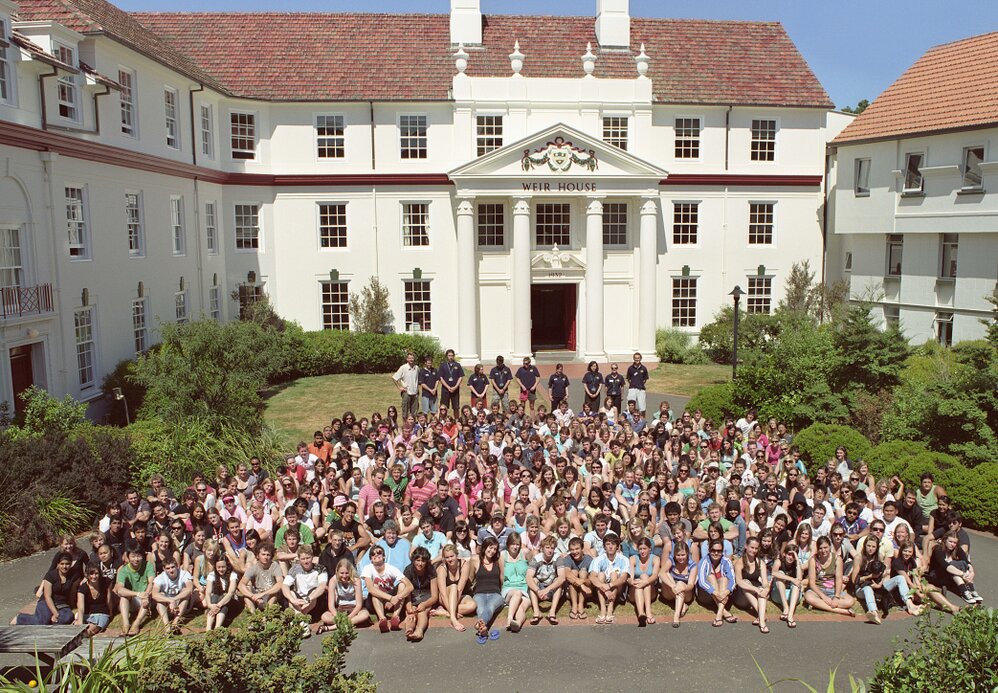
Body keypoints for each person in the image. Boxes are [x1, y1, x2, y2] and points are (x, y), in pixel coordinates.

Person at [13, 552, 75, 626]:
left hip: (61, 604)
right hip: (46, 602)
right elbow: (47, 596)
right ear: (58, 564)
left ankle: (50, 622)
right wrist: (55, 613)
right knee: (42, 622)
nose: (64, 566)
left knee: (68, 617)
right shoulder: (50, 575)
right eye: (62, 564)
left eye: (67, 564)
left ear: (71, 564)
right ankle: (20, 618)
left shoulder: (72, 575)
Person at [361, 544, 411, 633]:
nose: (376, 555)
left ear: (384, 556)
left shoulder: (391, 568)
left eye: (379, 552)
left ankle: (395, 618)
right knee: (375, 587)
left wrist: (397, 597)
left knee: (402, 585)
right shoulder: (368, 568)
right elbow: (370, 589)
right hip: (375, 602)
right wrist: (391, 598)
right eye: (373, 554)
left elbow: (410, 586)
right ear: (371, 559)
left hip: (392, 601)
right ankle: (382, 619)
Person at [927, 531, 982, 611]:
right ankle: (965, 590)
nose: (952, 544)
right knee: (954, 564)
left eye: (955, 542)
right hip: (936, 575)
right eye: (950, 542)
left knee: (962, 563)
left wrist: (972, 572)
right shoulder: (938, 549)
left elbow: (966, 562)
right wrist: (963, 574)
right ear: (945, 540)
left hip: (949, 574)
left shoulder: (956, 549)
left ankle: (970, 590)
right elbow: (946, 566)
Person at [282, 545, 329, 637]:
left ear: (312, 557)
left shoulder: (320, 568)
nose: (306, 561)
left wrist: (309, 598)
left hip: (314, 601)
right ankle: (302, 621)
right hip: (300, 601)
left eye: (308, 558)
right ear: (299, 559)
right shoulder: (295, 569)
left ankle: (299, 619)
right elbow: (285, 585)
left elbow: (322, 586)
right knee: (290, 594)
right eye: (303, 559)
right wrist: (293, 600)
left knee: (314, 591)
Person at [804, 536, 856, 616]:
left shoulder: (837, 559)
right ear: (817, 549)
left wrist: (836, 597)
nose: (823, 551)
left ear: (829, 547)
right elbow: (812, 583)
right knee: (808, 597)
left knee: (850, 601)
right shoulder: (813, 560)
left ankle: (818, 605)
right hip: (818, 589)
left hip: (832, 589)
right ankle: (842, 611)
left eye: (825, 547)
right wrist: (824, 598)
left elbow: (839, 580)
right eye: (820, 548)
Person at [319, 559, 370, 633]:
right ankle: (348, 624)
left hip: (354, 608)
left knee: (364, 615)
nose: (344, 576)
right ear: (337, 572)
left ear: (350, 572)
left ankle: (330, 628)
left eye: (347, 573)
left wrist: (349, 617)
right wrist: (338, 617)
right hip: (341, 608)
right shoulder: (333, 580)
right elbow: (331, 605)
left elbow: (359, 605)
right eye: (342, 573)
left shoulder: (356, 580)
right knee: (325, 617)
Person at [115, 543, 155, 636]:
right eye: (133, 556)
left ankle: (136, 623)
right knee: (123, 597)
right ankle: (126, 624)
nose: (136, 559)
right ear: (128, 557)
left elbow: (151, 582)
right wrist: (137, 594)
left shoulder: (148, 565)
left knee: (147, 597)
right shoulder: (124, 570)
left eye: (138, 556)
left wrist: (146, 594)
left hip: (145, 598)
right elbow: (119, 589)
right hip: (133, 598)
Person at [589, 533, 629, 624]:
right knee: (601, 575)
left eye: (613, 544)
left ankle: (610, 609)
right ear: (604, 547)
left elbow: (623, 578)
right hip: (602, 590)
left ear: (617, 547)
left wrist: (609, 585)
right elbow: (592, 577)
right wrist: (605, 588)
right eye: (608, 544)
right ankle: (603, 610)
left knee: (614, 574)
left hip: (617, 589)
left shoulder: (624, 560)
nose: (610, 547)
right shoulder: (598, 560)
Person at [696, 539, 738, 627]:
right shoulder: (703, 561)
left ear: (722, 551)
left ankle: (719, 614)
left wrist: (725, 593)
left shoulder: (727, 561)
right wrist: (716, 593)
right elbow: (702, 582)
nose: (716, 553)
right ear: (709, 550)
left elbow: (733, 580)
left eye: (719, 551)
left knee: (724, 579)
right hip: (705, 595)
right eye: (713, 550)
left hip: (722, 594)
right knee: (711, 577)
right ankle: (724, 612)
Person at [733, 536, 770, 633]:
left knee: (762, 589)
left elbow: (765, 582)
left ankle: (761, 621)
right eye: (751, 547)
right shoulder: (740, 562)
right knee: (746, 582)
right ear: (746, 546)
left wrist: (765, 589)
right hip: (742, 596)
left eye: (756, 548)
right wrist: (756, 589)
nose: (754, 550)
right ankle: (762, 616)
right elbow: (739, 581)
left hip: (754, 595)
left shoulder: (760, 563)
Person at [526, 536, 566, 625]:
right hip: (539, 588)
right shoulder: (536, 559)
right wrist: (538, 590)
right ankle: (536, 613)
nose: (550, 550)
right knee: (533, 579)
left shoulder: (558, 558)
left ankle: (552, 613)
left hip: (552, 588)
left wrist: (547, 590)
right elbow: (528, 577)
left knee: (558, 580)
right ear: (542, 548)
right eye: (547, 547)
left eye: (552, 548)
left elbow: (562, 577)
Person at [402, 546, 438, 641]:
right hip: (413, 595)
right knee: (410, 612)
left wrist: (425, 604)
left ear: (427, 561)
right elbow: (407, 592)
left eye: (423, 561)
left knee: (422, 611)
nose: (420, 563)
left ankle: (419, 631)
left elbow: (435, 596)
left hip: (427, 595)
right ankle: (409, 629)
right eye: (417, 560)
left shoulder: (431, 570)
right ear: (413, 560)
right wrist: (409, 606)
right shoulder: (408, 570)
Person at [437, 544, 476, 631]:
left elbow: (460, 589)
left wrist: (450, 612)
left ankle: (446, 612)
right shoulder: (442, 569)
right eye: (447, 557)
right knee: (454, 586)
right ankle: (453, 620)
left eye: (452, 556)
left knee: (472, 606)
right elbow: (442, 594)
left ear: (456, 555)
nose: (450, 559)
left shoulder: (464, 564)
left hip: (460, 594)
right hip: (445, 597)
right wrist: (453, 616)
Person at [660, 539, 697, 628]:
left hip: (686, 593)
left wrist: (683, 587)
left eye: (683, 555)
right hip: (670, 591)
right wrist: (672, 585)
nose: (680, 558)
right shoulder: (671, 560)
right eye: (678, 555)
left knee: (680, 583)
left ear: (687, 554)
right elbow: (661, 573)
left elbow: (691, 585)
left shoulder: (692, 565)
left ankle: (676, 616)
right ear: (674, 555)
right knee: (666, 574)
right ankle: (683, 606)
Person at [238, 543, 284, 613]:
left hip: (270, 595)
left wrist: (263, 594)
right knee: (246, 593)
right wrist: (253, 596)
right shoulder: (254, 568)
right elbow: (241, 585)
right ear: (258, 555)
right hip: (258, 595)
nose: (265, 557)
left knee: (274, 594)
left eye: (268, 555)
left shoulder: (275, 566)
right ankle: (254, 616)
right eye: (263, 554)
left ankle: (267, 614)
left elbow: (280, 583)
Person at [151, 557, 193, 632]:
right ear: (164, 569)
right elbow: (154, 594)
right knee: (160, 596)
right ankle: (167, 626)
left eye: (173, 567)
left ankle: (175, 623)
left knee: (185, 592)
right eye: (168, 568)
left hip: (180, 605)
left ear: (177, 566)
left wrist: (174, 599)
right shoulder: (160, 578)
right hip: (166, 606)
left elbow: (189, 589)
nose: (171, 570)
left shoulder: (184, 574)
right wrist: (170, 601)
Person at [500, 531, 530, 632]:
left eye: (517, 544)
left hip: (524, 588)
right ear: (508, 545)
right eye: (512, 544)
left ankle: (517, 623)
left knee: (521, 608)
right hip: (509, 588)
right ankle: (509, 619)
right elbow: (501, 575)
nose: (515, 547)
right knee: (517, 593)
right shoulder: (503, 555)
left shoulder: (524, 553)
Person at [627, 537, 659, 627]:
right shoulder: (633, 558)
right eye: (640, 549)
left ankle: (648, 612)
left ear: (650, 549)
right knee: (639, 579)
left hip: (650, 591)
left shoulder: (655, 559)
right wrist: (633, 582)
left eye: (644, 549)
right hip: (635, 591)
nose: (642, 551)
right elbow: (630, 577)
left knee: (644, 577)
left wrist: (644, 582)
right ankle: (641, 614)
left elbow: (655, 575)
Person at [560, 537, 593, 621]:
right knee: (573, 572)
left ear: (582, 549)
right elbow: (567, 574)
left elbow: (591, 580)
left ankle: (581, 605)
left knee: (583, 572)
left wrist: (583, 581)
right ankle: (574, 605)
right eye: (572, 549)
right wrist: (581, 585)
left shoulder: (589, 559)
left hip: (586, 591)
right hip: (571, 591)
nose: (574, 552)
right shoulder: (568, 558)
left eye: (577, 549)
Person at [770, 544, 803, 628]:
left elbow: (799, 579)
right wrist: (791, 579)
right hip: (779, 595)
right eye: (789, 554)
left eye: (793, 555)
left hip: (793, 596)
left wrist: (798, 561)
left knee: (796, 584)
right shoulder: (779, 561)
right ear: (784, 554)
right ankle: (785, 608)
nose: (791, 557)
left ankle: (790, 615)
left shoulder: (796, 564)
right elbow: (774, 573)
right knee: (780, 574)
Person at [75, 565, 114, 635]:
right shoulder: (83, 588)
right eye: (91, 574)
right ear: (87, 575)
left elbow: (109, 600)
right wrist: (79, 626)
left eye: (96, 573)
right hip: (88, 614)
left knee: (91, 629)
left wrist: (110, 613)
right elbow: (81, 608)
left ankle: (84, 635)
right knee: (77, 624)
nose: (94, 576)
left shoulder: (106, 583)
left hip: (102, 613)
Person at [204, 557, 237, 631]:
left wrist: (218, 605)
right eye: (218, 567)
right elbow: (208, 592)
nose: (221, 569)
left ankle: (217, 627)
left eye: (223, 567)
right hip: (216, 599)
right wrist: (210, 605)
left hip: (228, 600)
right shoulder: (212, 575)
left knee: (223, 598)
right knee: (214, 597)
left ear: (227, 566)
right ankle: (208, 627)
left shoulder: (233, 575)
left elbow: (230, 592)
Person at [392, 351, 420, 419]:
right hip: (406, 393)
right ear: (407, 359)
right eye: (409, 358)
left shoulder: (417, 368)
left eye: (412, 358)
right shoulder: (403, 368)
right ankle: (405, 427)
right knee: (405, 413)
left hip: (415, 393)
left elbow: (418, 379)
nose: (411, 360)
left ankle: (412, 427)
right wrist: (399, 387)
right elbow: (394, 378)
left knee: (414, 412)